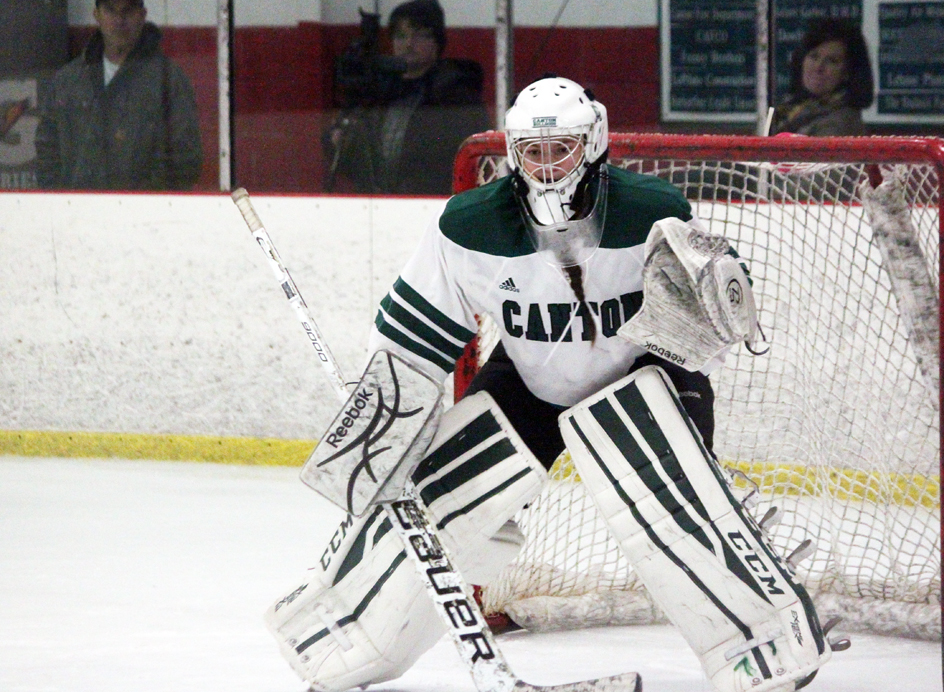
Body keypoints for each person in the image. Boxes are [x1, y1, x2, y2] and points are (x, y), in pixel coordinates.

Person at [266, 77, 844, 692]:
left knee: (671, 503)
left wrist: (717, 295)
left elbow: (718, 315)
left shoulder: (652, 209)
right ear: (513, 152)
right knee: (438, 496)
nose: (545, 169)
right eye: (532, 153)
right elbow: (414, 345)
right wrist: (380, 437)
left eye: (560, 150)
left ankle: (766, 640)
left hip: (646, 373)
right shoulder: (470, 226)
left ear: (592, 144)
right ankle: (345, 632)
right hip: (530, 379)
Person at [323, 0, 489, 194]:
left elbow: (471, 159)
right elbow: (361, 165)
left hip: (434, 203)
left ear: (437, 42)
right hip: (378, 205)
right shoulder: (378, 94)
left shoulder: (455, 94)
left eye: (419, 35)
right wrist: (337, 143)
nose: (409, 44)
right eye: (401, 36)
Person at [35, 0, 202, 190]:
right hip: (76, 214)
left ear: (142, 15)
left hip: (145, 216)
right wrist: (61, 201)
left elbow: (185, 159)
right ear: (96, 15)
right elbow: (47, 149)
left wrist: (147, 205)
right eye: (110, 10)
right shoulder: (68, 80)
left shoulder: (168, 80)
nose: (119, 20)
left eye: (128, 11)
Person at [770, 18, 874, 136]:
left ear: (848, 72)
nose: (818, 67)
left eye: (831, 61)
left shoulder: (839, 123)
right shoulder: (791, 109)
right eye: (814, 56)